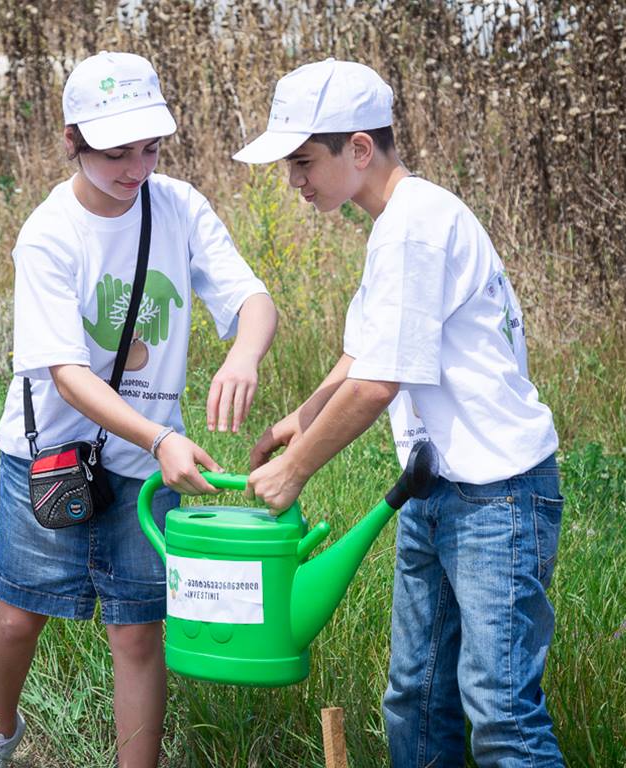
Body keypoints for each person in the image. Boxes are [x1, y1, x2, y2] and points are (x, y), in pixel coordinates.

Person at [235, 58, 564, 767]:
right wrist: (300, 418)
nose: (293, 181)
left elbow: (378, 384)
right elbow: (364, 355)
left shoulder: (415, 227)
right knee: (415, 699)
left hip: (497, 498)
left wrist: (295, 469)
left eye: (303, 161)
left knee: (501, 712)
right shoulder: (398, 223)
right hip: (432, 492)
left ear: (359, 148)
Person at [0, 51, 277, 768]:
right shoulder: (49, 233)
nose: (136, 169)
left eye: (150, 149)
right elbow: (68, 376)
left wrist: (243, 354)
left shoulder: (179, 207)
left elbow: (252, 300)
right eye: (116, 154)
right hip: (49, 454)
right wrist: (162, 436)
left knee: (137, 630)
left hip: (147, 462)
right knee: (20, 612)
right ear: (72, 141)